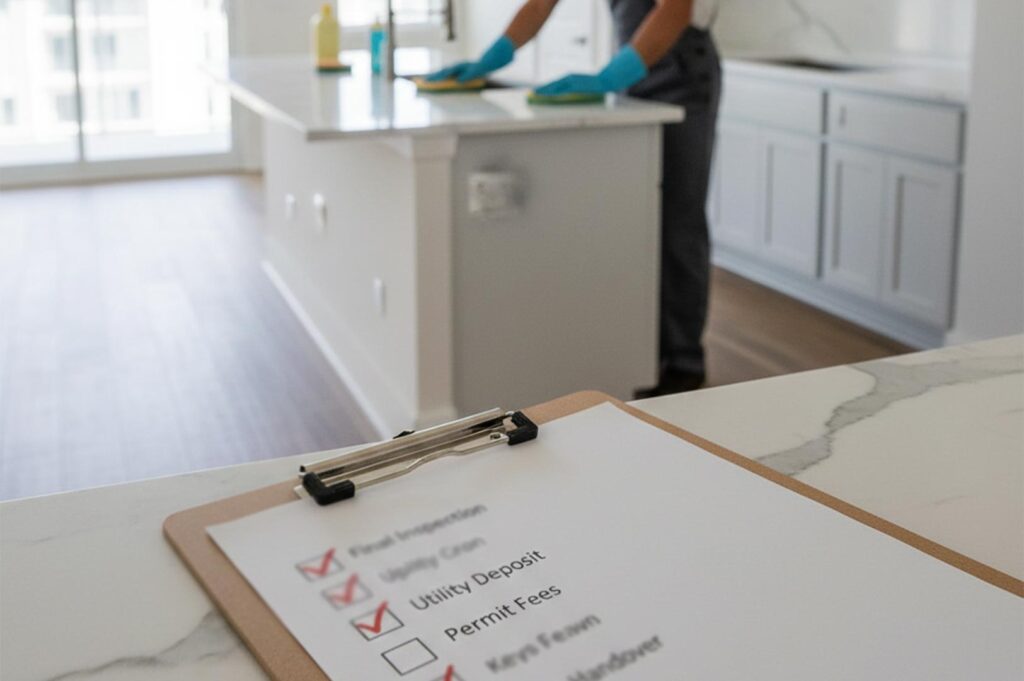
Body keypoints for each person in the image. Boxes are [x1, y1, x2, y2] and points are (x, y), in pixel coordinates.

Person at [429, 0, 721, 396]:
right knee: (639, 219)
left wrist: (608, 77)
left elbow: (675, 10)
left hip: (682, 74)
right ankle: (643, 355)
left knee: (678, 222)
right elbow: (540, 4)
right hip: (634, 70)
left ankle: (685, 363)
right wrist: (490, 60)